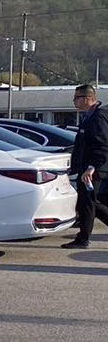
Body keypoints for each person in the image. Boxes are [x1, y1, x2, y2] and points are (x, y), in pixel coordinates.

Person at [62, 84, 108, 248]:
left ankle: (83, 239)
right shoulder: (89, 116)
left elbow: (101, 145)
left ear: (88, 98)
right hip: (87, 168)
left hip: (93, 169)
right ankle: (82, 238)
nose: (74, 101)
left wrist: (91, 167)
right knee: (89, 202)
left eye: (77, 98)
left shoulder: (97, 117)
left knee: (88, 202)